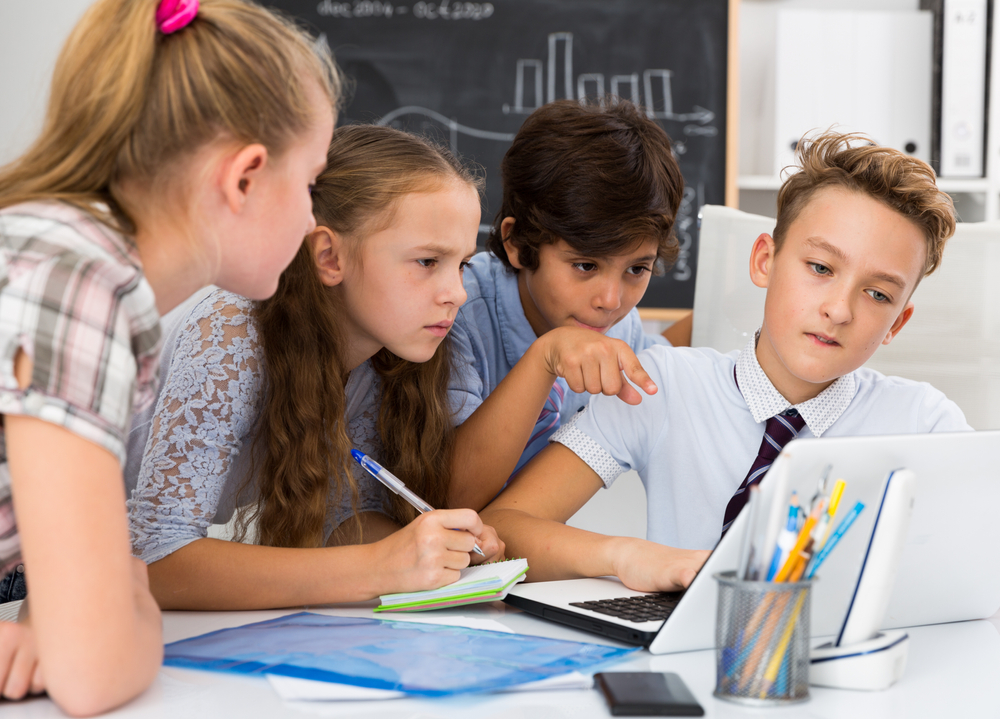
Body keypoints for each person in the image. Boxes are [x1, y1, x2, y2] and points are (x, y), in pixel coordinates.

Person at [0, 0, 337, 712]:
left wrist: (71, 608)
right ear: (244, 177)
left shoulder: (79, 265)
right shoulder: (80, 280)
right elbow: (93, 672)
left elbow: (66, 568)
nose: (313, 220)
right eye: (311, 184)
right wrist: (135, 614)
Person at [480, 131, 971, 593]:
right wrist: (626, 556)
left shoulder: (926, 426)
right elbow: (506, 528)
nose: (839, 310)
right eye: (820, 268)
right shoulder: (663, 386)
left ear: (897, 325)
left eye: (877, 294)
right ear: (764, 261)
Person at [126, 124, 504, 612]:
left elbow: (344, 522)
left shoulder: (379, 355)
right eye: (428, 261)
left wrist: (437, 553)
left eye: (463, 265)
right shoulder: (231, 329)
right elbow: (152, 560)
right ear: (329, 256)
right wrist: (382, 566)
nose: (457, 292)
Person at [447, 99, 688, 502]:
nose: (611, 301)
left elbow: (662, 361)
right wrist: (546, 357)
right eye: (585, 266)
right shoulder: (455, 315)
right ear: (518, 243)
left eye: (636, 270)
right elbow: (452, 494)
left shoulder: (616, 325)